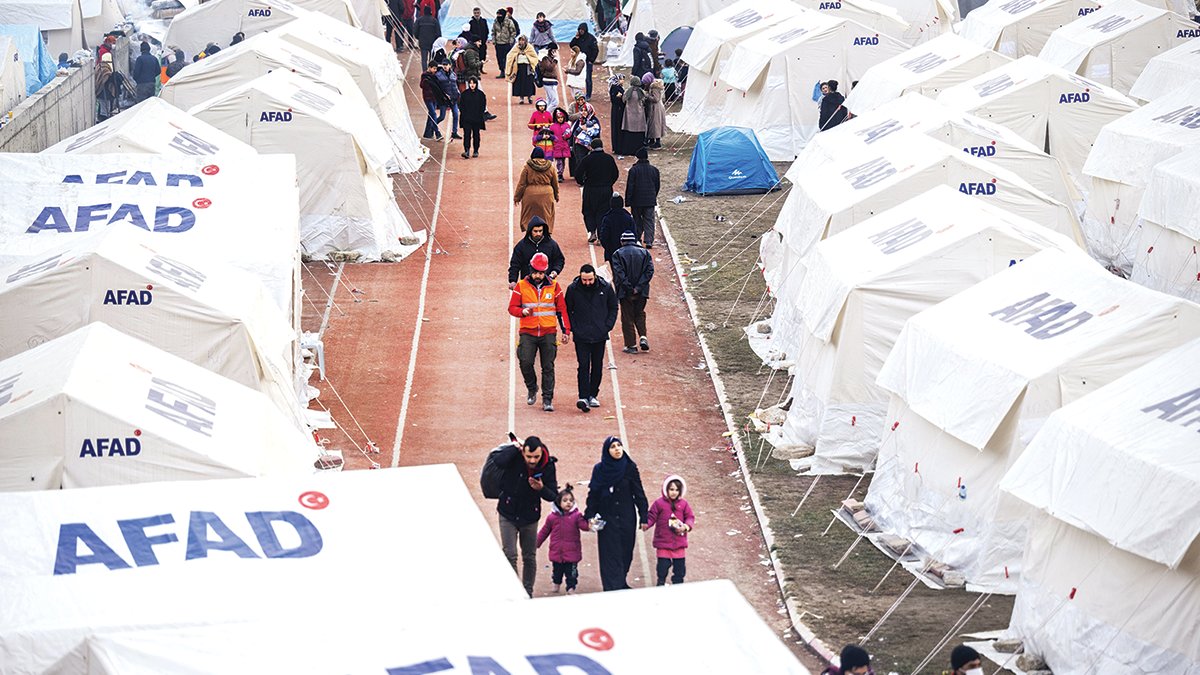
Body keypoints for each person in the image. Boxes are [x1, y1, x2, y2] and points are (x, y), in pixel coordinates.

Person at [496, 436, 559, 596]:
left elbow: (552, 495)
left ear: (541, 453)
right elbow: (498, 461)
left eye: (536, 457)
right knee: (510, 554)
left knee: (529, 556)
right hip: (507, 512)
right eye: (528, 456)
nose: (532, 460)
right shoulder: (515, 456)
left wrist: (541, 488)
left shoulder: (548, 465)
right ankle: (514, 591)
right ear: (523, 452)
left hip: (529, 516)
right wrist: (513, 448)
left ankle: (527, 592)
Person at [508, 252, 571, 411]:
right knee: (525, 361)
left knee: (548, 366)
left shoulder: (555, 286)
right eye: (536, 272)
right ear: (530, 270)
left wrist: (566, 330)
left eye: (541, 273)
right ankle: (532, 387)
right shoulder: (521, 286)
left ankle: (547, 399)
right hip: (528, 332)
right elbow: (512, 308)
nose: (538, 275)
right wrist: (522, 312)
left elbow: (561, 310)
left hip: (548, 332)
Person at [584, 436, 648, 591]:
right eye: (613, 447)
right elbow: (594, 494)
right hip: (608, 518)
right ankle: (612, 587)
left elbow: (639, 493)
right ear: (607, 450)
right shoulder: (600, 470)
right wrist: (589, 515)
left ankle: (621, 581)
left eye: (619, 445)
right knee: (610, 555)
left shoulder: (629, 467)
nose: (617, 449)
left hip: (627, 518)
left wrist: (644, 516)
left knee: (626, 552)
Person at [564, 264, 617, 412]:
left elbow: (613, 307)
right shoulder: (573, 289)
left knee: (597, 365)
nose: (587, 282)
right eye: (584, 280)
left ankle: (593, 394)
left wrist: (607, 326)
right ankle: (583, 396)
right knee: (583, 365)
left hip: (600, 334)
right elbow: (567, 309)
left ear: (594, 276)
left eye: (590, 279)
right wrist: (574, 327)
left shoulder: (605, 288)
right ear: (580, 277)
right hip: (581, 335)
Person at [536, 486, 589, 594]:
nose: (568, 503)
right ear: (558, 502)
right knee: (557, 571)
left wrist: (591, 525)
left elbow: (584, 526)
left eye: (571, 500)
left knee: (572, 573)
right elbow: (544, 531)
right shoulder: (552, 518)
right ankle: (556, 583)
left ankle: (571, 588)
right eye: (565, 501)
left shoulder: (577, 516)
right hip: (557, 552)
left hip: (572, 552)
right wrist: (536, 542)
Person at [647, 474, 694, 585]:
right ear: (666, 489)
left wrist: (686, 527)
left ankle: (678, 585)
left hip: (679, 543)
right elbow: (651, 516)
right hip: (663, 542)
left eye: (677, 490)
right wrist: (646, 524)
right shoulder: (659, 503)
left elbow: (690, 517)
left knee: (680, 570)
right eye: (671, 489)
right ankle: (661, 582)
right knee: (662, 568)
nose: (674, 492)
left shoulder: (683, 504)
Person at [611, 231, 653, 353]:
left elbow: (619, 273)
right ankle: (643, 337)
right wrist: (639, 288)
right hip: (642, 291)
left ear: (622, 241)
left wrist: (629, 288)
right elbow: (649, 271)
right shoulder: (645, 253)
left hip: (625, 292)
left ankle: (631, 345)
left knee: (627, 317)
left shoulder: (617, 254)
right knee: (639, 313)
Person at [575, 138, 619, 244]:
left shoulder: (587, 159)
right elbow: (615, 174)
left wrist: (582, 182)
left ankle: (592, 231)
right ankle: (601, 235)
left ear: (591, 147)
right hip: (606, 189)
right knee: (603, 212)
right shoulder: (609, 159)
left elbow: (578, 173)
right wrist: (609, 183)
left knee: (588, 210)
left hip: (590, 189)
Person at [508, 217, 565, 285]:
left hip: (547, 283)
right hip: (527, 284)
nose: (538, 234)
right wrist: (513, 280)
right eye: (535, 231)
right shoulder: (521, 246)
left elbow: (559, 259)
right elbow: (515, 264)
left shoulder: (552, 244)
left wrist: (555, 271)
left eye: (540, 231)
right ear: (530, 231)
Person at [514, 148, 559, 233]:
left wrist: (517, 197)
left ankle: (529, 232)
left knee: (528, 216)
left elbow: (522, 184)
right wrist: (556, 195)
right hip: (547, 194)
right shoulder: (550, 167)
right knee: (546, 215)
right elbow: (555, 183)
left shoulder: (527, 166)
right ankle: (546, 232)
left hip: (530, 194)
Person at [625, 147, 660, 248]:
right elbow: (657, 185)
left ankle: (637, 238)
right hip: (650, 200)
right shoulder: (654, 170)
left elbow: (630, 186)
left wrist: (628, 200)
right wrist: (653, 196)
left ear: (637, 158)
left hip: (636, 201)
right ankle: (649, 241)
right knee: (649, 220)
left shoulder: (633, 170)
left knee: (636, 220)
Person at [598, 193, 636, 264]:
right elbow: (634, 235)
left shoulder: (607, 218)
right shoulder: (628, 218)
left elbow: (603, 236)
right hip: (627, 253)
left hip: (612, 252)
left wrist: (608, 248)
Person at [568, 102, 600, 178]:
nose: (583, 112)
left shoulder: (594, 120)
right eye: (582, 110)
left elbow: (596, 132)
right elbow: (573, 132)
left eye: (585, 110)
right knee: (580, 161)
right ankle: (581, 176)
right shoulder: (579, 120)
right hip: (579, 145)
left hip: (590, 146)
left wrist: (587, 129)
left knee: (590, 161)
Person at [458, 76, 486, 158]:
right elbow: (461, 106)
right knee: (467, 135)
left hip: (476, 119)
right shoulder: (464, 94)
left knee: (476, 135)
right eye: (470, 83)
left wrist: (479, 115)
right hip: (467, 119)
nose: (472, 85)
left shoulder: (481, 95)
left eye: (473, 83)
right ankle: (466, 150)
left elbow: (483, 106)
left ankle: (476, 150)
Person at [620, 75, 648, 156]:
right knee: (638, 133)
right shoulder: (641, 92)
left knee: (629, 133)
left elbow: (623, 100)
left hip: (629, 115)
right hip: (639, 115)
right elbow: (644, 101)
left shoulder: (628, 91)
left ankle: (628, 150)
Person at [569, 23, 598, 99]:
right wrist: (575, 38)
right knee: (577, 76)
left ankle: (588, 95)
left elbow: (595, 50)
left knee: (588, 78)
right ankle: (577, 93)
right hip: (579, 61)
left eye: (582, 30)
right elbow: (572, 45)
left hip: (587, 61)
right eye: (579, 30)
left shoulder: (591, 38)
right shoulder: (578, 38)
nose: (581, 31)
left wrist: (591, 60)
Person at [507, 35, 538, 104]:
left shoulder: (529, 47)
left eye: (523, 40)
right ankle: (521, 98)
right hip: (518, 68)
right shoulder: (516, 47)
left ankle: (529, 96)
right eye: (520, 40)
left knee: (529, 82)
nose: (521, 42)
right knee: (519, 82)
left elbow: (534, 57)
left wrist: (526, 55)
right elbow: (510, 55)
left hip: (527, 68)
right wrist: (518, 54)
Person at [435, 59, 462, 139]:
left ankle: (454, 132)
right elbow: (438, 88)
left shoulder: (453, 74)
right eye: (444, 65)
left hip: (453, 98)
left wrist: (457, 94)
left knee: (456, 115)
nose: (445, 66)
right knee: (442, 116)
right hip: (444, 99)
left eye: (446, 65)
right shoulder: (439, 75)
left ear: (450, 65)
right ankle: (433, 125)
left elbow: (455, 85)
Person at [419, 61, 445, 140]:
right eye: (434, 68)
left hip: (434, 98)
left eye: (436, 69)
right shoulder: (424, 75)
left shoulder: (434, 76)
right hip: (428, 98)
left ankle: (427, 133)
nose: (435, 70)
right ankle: (437, 133)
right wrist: (426, 82)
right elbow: (421, 85)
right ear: (429, 67)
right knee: (433, 114)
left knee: (431, 115)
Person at [95, 52, 121, 121]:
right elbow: (102, 79)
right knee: (104, 110)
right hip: (103, 92)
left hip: (103, 92)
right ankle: (104, 121)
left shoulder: (101, 67)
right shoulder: (104, 69)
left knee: (105, 108)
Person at [492, 8, 517, 77]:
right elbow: (493, 32)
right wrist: (494, 41)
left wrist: (511, 41)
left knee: (507, 58)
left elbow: (513, 32)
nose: (498, 16)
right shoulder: (495, 22)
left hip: (506, 43)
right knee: (499, 58)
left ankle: (508, 71)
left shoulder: (509, 22)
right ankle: (502, 71)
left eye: (500, 14)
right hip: (498, 43)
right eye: (497, 14)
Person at [548, 108, 571, 181]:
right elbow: (550, 135)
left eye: (561, 118)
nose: (560, 119)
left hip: (564, 146)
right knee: (559, 161)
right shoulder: (552, 126)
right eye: (558, 118)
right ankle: (559, 173)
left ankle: (561, 172)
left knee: (563, 161)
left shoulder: (567, 125)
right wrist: (553, 139)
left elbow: (569, 134)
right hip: (556, 146)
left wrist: (566, 135)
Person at [644, 74, 666, 149]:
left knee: (656, 124)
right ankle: (653, 140)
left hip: (656, 108)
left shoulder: (655, 88)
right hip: (656, 108)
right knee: (654, 124)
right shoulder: (654, 86)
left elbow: (656, 99)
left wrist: (646, 96)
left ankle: (657, 142)